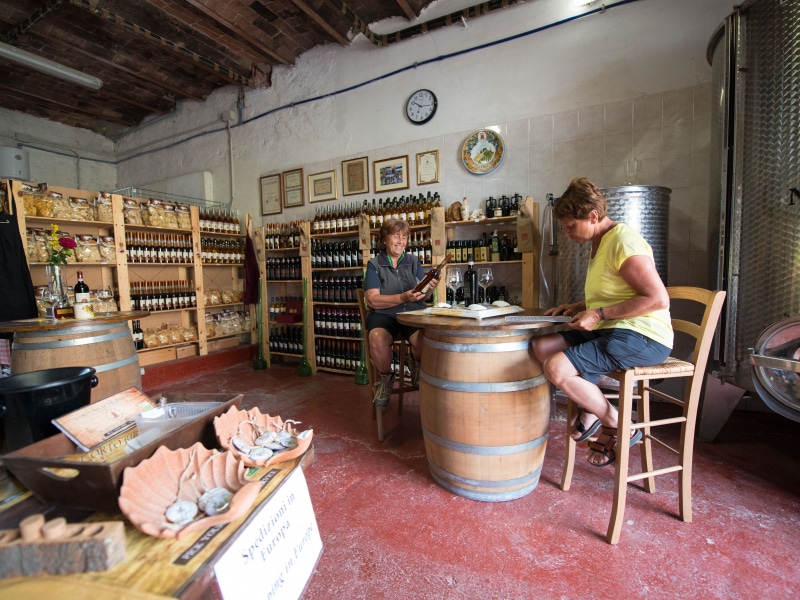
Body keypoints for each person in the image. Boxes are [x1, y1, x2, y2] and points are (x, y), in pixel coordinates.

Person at [531, 177, 673, 466]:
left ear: (593, 216)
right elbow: (616, 292)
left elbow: (658, 299)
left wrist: (598, 314)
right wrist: (580, 306)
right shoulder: (600, 243)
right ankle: (594, 410)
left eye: (571, 225)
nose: (567, 233)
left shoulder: (622, 240)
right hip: (614, 329)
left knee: (555, 366)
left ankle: (615, 422)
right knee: (543, 346)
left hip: (643, 336)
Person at [364, 219, 438, 407]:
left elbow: (421, 296)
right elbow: (372, 299)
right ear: (384, 239)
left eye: (404, 237)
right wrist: (403, 297)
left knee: (426, 339)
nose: (401, 241)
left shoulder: (413, 261)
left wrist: (429, 289)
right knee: (377, 337)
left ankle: (415, 364)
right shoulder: (374, 264)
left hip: (412, 313)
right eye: (396, 235)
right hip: (384, 315)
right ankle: (386, 378)